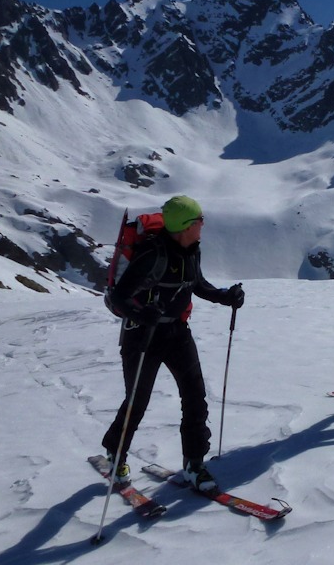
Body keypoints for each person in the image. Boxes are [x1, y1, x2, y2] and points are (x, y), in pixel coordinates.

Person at [101, 195, 245, 492]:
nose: (203, 224)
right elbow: (119, 297)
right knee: (137, 402)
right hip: (142, 334)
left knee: (195, 396)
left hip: (177, 332)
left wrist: (224, 296)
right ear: (185, 226)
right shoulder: (153, 254)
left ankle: (194, 463)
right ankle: (116, 455)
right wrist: (142, 313)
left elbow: (196, 284)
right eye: (199, 220)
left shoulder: (191, 250)